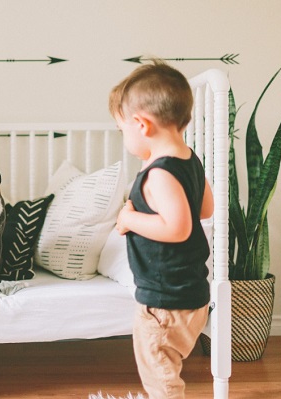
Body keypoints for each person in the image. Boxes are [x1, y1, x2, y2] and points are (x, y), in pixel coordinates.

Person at [109, 60, 214, 399]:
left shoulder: (160, 174)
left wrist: (129, 220)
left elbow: (178, 227)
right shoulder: (188, 160)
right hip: (190, 294)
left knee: (160, 377)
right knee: (165, 367)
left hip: (164, 303)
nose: (124, 138)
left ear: (142, 124)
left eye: (122, 130)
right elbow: (206, 208)